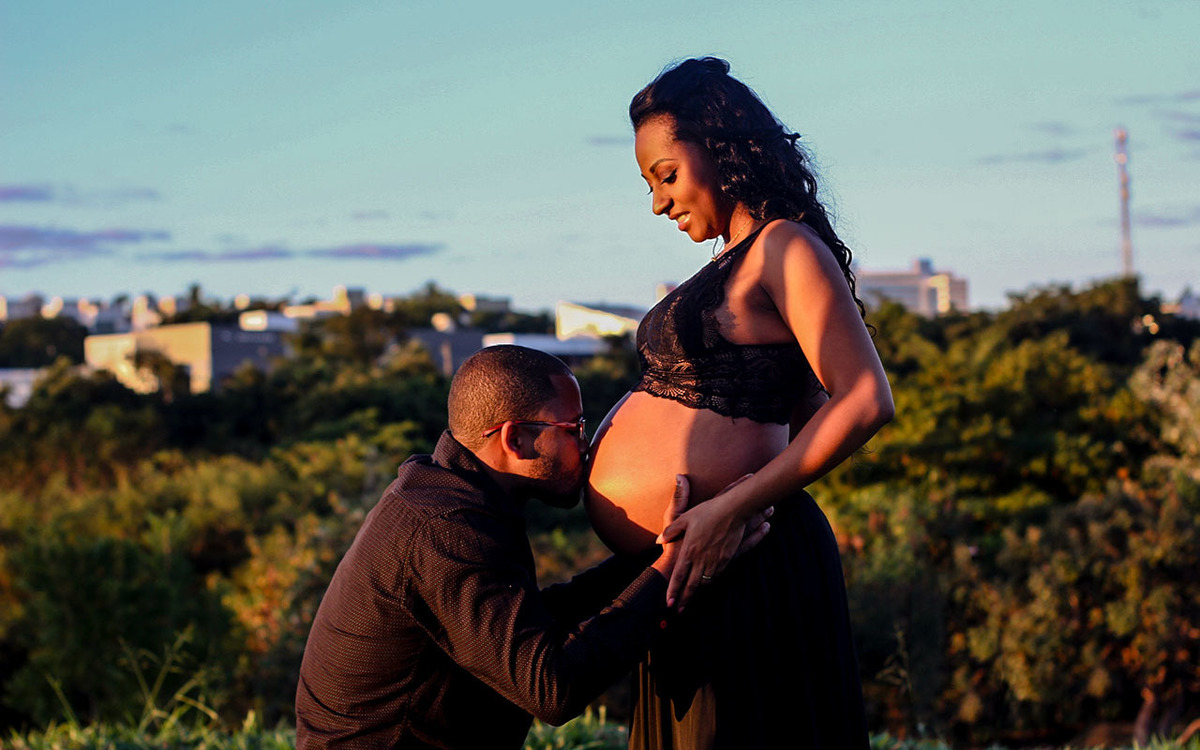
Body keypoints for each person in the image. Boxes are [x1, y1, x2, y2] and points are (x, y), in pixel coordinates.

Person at [584, 58, 894, 749]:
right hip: (705, 568)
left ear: (722, 146)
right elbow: (803, 408)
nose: (659, 203)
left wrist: (734, 504)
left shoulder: (782, 247)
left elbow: (865, 399)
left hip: (748, 565)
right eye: (648, 185)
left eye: (666, 175)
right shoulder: (736, 260)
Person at [294, 344, 769, 749]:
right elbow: (552, 687)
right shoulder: (446, 526)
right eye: (574, 428)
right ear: (515, 439)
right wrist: (680, 568)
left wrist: (662, 552)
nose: (586, 446)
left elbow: (532, 623)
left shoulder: (454, 497)